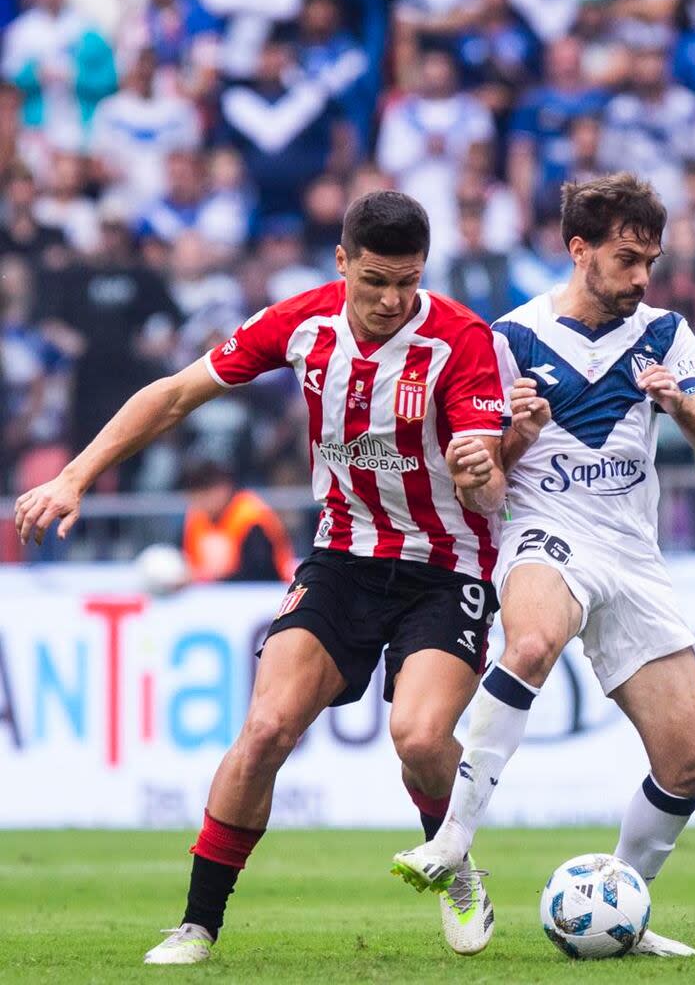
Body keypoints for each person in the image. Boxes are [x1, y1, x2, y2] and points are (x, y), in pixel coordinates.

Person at [15, 190, 508, 963]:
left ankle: (454, 862)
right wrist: (75, 476)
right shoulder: (302, 322)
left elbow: (491, 486)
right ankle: (198, 924)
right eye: (374, 279)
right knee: (267, 729)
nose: (390, 299)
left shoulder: (461, 340)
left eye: (407, 281)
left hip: (446, 568)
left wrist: (481, 471)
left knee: (416, 736)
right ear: (341, 262)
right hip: (343, 556)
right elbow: (176, 394)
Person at [392, 173, 695, 958]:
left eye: (650, 259)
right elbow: (483, 487)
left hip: (632, 552)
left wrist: (679, 403)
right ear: (579, 250)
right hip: (546, 530)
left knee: (689, 764)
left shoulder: (666, 332)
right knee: (533, 643)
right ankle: (453, 838)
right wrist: (509, 437)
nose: (641, 276)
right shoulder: (508, 338)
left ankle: (617, 904)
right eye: (626, 259)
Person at [181, 460, 295, 583]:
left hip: (264, 592)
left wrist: (214, 579)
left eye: (203, 498)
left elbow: (261, 572)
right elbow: (189, 562)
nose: (199, 505)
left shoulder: (251, 516)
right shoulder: (197, 518)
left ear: (222, 489)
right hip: (212, 595)